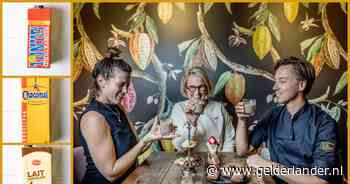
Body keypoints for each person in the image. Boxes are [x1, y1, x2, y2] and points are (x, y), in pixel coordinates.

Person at [235, 57, 341, 184]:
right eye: (275, 81)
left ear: (301, 84)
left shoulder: (324, 123)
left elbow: (320, 181)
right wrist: (242, 120)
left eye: (282, 81)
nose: (275, 87)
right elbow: (242, 150)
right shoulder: (274, 114)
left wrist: (267, 165)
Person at [79, 47, 175, 184]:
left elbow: (135, 149)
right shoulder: (93, 118)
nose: (125, 91)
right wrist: (144, 141)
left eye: (127, 85)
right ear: (101, 81)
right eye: (121, 84)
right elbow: (111, 173)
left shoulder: (118, 108)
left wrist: (153, 136)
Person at [170, 66, 235, 152]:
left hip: (218, 161)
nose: (197, 93)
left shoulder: (219, 107)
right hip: (190, 162)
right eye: (192, 87)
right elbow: (178, 145)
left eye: (201, 87)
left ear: (207, 88)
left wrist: (223, 160)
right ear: (186, 89)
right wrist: (192, 123)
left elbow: (229, 140)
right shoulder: (179, 108)